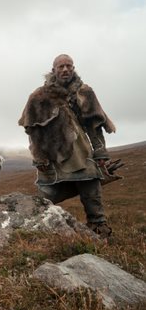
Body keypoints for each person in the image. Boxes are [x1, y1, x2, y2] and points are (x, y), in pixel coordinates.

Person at [19, 54, 115, 238]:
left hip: (81, 152)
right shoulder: (39, 97)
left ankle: (99, 230)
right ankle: (36, 234)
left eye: (69, 66)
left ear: (73, 68)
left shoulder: (84, 92)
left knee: (91, 192)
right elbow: (32, 131)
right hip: (51, 156)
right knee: (44, 200)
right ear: (53, 69)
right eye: (61, 66)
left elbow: (94, 127)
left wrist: (101, 154)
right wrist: (38, 158)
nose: (65, 69)